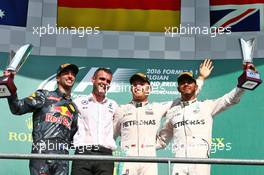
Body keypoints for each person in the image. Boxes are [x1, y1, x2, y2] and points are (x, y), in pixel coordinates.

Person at [113, 59, 213, 175]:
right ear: (131, 89)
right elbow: (110, 137)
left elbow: (186, 96)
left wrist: (200, 78)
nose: (137, 86)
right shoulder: (121, 110)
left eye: (142, 84)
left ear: (149, 89)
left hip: (149, 160)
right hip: (127, 158)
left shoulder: (157, 108)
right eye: (134, 84)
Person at [158, 63, 245, 175]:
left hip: (200, 162)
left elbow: (229, 100)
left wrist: (243, 85)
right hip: (178, 162)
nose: (186, 84)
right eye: (182, 82)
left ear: (196, 86)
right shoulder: (172, 111)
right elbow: (162, 140)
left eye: (189, 82)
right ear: (178, 88)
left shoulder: (206, 106)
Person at [4, 63, 79, 175]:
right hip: (41, 155)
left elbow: (72, 135)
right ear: (58, 78)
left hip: (62, 159)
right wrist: (10, 86)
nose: (70, 76)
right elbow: (17, 108)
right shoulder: (44, 96)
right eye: (66, 73)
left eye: (73, 74)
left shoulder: (73, 108)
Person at [71, 68, 118, 175]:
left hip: (105, 155)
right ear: (93, 79)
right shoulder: (78, 102)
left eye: (108, 81)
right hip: (83, 153)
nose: (104, 83)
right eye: (102, 79)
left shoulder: (114, 105)